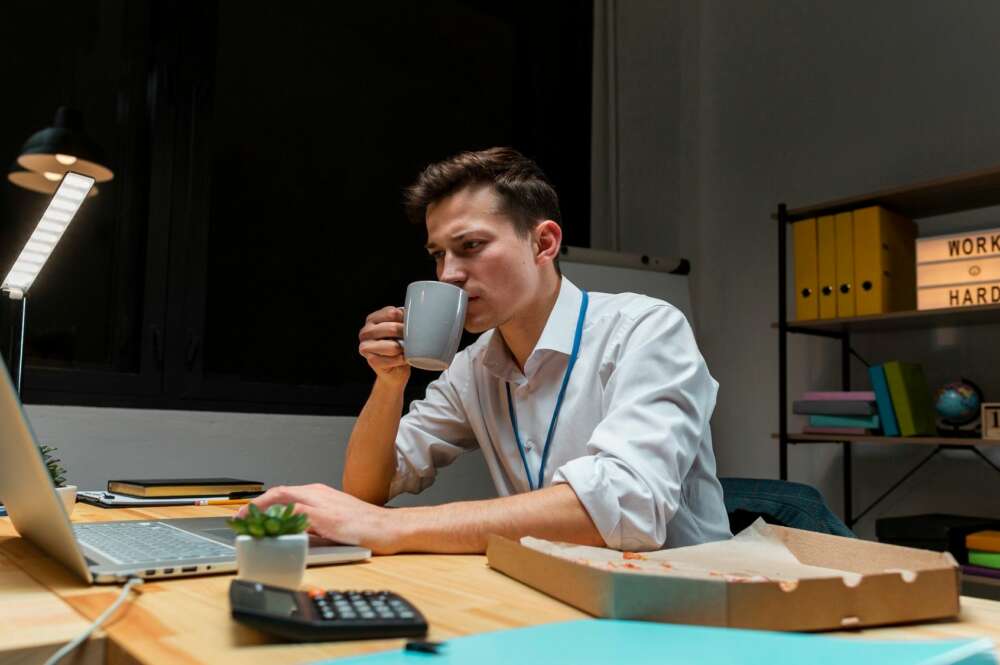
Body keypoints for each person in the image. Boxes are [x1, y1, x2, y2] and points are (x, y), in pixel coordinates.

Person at [242, 147, 731, 554]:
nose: (448, 273)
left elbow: (629, 505)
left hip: (691, 600)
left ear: (544, 242)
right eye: (438, 254)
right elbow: (370, 487)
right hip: (556, 590)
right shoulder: (473, 366)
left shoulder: (646, 328)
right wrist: (389, 381)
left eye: (471, 245)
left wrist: (394, 529)